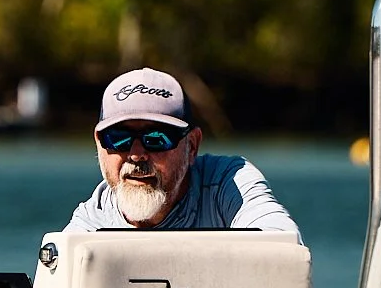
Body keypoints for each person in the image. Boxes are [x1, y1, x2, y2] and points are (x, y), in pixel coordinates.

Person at [65, 68, 300, 241]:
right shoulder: (86, 229)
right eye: (119, 139)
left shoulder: (229, 184)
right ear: (98, 143)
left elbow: (284, 243)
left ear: (192, 146)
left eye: (156, 138)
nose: (136, 155)